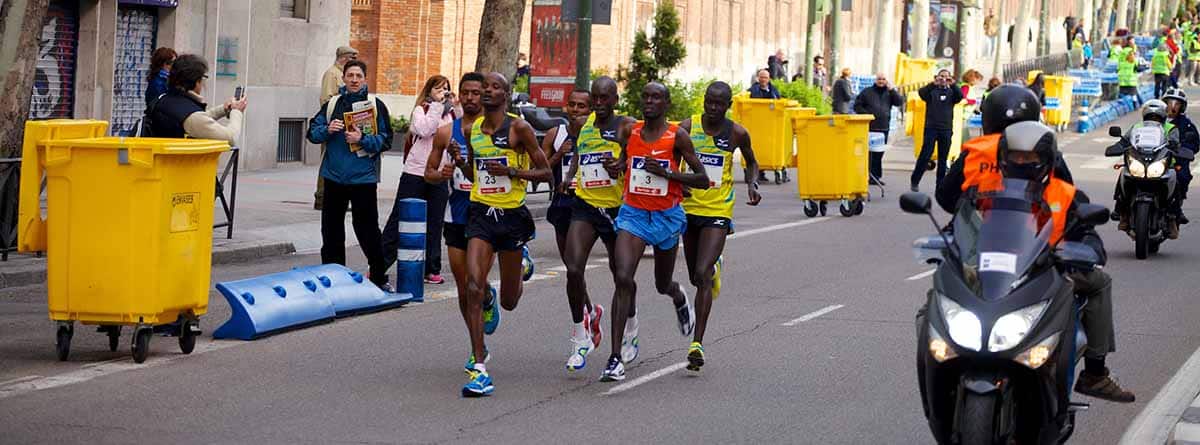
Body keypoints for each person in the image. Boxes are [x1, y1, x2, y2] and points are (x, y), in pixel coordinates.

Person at [930, 85, 1135, 403]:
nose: (1023, 161)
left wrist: (1086, 246)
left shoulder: (986, 158)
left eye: (1032, 157)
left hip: (1039, 265)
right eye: (1015, 156)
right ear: (1004, 157)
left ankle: (1083, 370)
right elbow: (954, 211)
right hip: (987, 264)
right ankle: (1096, 372)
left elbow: (1076, 215)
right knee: (935, 304)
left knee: (1088, 287)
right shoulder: (1012, 174)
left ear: (1045, 159)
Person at [598, 82, 710, 382]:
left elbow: (702, 178)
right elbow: (626, 160)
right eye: (645, 96)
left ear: (666, 103)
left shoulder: (677, 136)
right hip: (633, 213)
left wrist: (668, 173)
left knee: (662, 283)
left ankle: (677, 296)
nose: (649, 101)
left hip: (665, 217)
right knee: (622, 276)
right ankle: (615, 358)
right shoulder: (630, 131)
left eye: (656, 97)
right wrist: (617, 166)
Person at [457, 72, 552, 397]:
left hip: (511, 217)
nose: (487, 91)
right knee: (472, 286)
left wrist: (513, 171)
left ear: (507, 95)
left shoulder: (518, 128)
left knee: (510, 301)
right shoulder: (471, 130)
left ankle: (516, 270)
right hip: (481, 213)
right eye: (485, 87)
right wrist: (460, 164)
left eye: (495, 87)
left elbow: (546, 173)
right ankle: (479, 366)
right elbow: (474, 172)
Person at [678, 81, 762, 372]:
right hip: (689, 209)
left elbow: (752, 162)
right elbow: (671, 159)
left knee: (701, 274)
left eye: (719, 104)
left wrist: (752, 183)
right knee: (694, 275)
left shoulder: (737, 133)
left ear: (728, 106)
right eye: (709, 102)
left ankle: (697, 344)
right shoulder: (688, 127)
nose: (713, 108)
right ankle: (712, 269)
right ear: (704, 101)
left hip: (717, 209)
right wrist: (678, 183)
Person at [423, 72, 500, 371]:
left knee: (475, 283)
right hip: (455, 215)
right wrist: (439, 174)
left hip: (488, 215)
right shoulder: (446, 132)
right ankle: (477, 346)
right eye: (465, 92)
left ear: (484, 95)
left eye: (476, 93)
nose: (470, 98)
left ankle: (487, 298)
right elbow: (428, 172)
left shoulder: (495, 131)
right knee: (462, 286)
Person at [559, 76, 636, 372]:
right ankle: (580, 335)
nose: (600, 104)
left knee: (622, 275)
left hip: (618, 209)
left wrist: (622, 164)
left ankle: (631, 322)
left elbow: (640, 154)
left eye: (605, 99)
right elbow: (580, 153)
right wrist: (569, 176)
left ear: (615, 100)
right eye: (596, 99)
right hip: (586, 204)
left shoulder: (626, 126)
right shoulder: (583, 125)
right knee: (573, 267)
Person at [305, 59, 393, 291]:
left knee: (368, 230)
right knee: (331, 230)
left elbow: (386, 140)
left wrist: (361, 139)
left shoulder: (375, 105)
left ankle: (378, 276)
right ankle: (334, 276)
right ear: (343, 78)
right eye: (350, 75)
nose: (354, 80)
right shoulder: (333, 104)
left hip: (363, 178)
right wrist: (327, 130)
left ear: (365, 79)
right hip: (334, 177)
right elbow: (312, 133)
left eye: (358, 76)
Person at [381, 75, 461, 285]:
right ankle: (379, 265)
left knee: (435, 223)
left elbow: (460, 133)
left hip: (439, 173)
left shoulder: (452, 113)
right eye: (438, 88)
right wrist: (436, 106)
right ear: (429, 90)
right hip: (415, 173)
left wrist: (456, 107)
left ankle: (430, 269)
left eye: (445, 88)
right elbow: (425, 130)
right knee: (399, 219)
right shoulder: (422, 110)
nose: (442, 92)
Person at [148, 54, 246, 144]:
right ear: (196, 81)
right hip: (185, 163)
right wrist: (237, 111)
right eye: (203, 78)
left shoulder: (163, 100)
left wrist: (223, 109)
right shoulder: (192, 117)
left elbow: (197, 120)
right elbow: (230, 137)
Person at [315, 46, 359, 210]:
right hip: (334, 125)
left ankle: (334, 197)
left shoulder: (345, 74)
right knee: (328, 159)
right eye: (351, 58)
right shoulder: (332, 74)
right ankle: (322, 196)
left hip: (346, 125)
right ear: (344, 58)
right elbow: (327, 100)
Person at [910, 69, 963, 192]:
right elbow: (921, 93)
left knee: (943, 159)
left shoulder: (952, 93)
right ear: (937, 77)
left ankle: (940, 185)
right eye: (941, 76)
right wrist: (933, 83)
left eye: (946, 77)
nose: (943, 79)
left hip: (945, 129)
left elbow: (960, 96)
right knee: (925, 155)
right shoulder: (931, 92)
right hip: (931, 128)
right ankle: (915, 180)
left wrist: (954, 84)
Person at [854, 73, 906, 186]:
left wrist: (892, 90)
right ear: (875, 80)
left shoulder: (889, 92)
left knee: (879, 153)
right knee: (868, 153)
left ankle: (875, 177)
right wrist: (867, 115)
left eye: (883, 79)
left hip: (883, 128)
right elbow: (857, 106)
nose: (881, 81)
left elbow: (899, 102)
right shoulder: (867, 92)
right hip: (869, 127)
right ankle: (865, 176)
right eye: (879, 79)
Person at [1164, 88, 1196, 238]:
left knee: (1180, 177)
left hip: (1174, 161)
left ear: (1182, 107)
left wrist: (1184, 149)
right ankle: (1122, 210)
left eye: (1176, 104)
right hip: (1152, 159)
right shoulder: (1153, 119)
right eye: (1169, 102)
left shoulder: (1186, 124)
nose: (1172, 106)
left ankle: (1174, 214)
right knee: (1126, 171)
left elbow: (1195, 143)